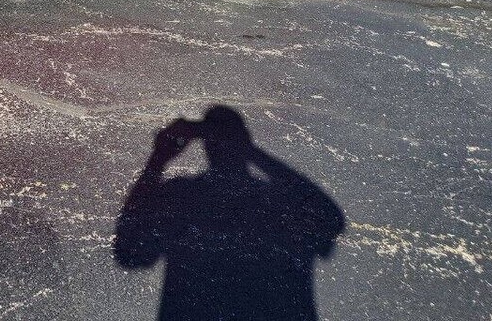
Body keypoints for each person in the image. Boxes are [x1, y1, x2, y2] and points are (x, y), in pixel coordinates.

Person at [114, 105, 345, 321]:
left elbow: (129, 250)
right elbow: (330, 218)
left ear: (205, 146)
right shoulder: (280, 203)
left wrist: (159, 158)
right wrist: (251, 152)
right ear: (245, 139)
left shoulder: (182, 197)